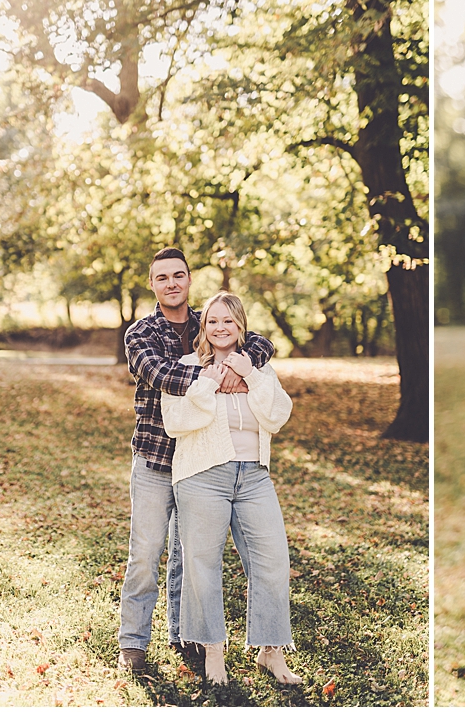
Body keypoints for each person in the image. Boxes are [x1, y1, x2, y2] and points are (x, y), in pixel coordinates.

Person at [117, 248, 275, 674]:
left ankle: (184, 636)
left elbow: (260, 342)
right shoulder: (140, 333)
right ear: (152, 283)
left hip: (203, 463)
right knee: (146, 553)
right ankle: (133, 643)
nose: (172, 283)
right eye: (162, 277)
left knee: (189, 556)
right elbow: (160, 375)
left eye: (179, 275)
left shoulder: (209, 320)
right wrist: (214, 373)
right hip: (155, 458)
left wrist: (241, 366)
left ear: (189, 280)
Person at [161, 291, 302, 686]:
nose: (220, 328)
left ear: (241, 326)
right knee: (202, 565)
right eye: (212, 321)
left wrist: (249, 377)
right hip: (202, 476)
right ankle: (213, 655)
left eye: (228, 321)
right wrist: (208, 385)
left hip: (254, 476)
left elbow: (277, 415)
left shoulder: (258, 368)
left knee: (273, 561)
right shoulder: (187, 367)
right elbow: (176, 421)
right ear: (203, 327)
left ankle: (270, 653)